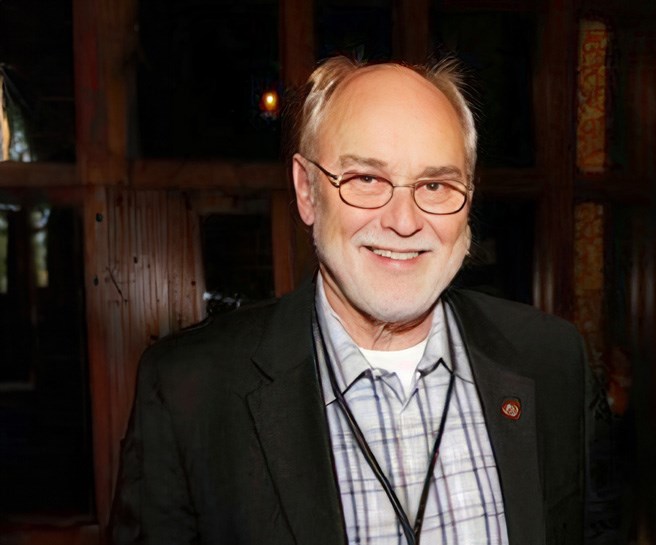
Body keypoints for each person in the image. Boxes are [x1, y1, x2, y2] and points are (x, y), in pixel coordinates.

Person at [111, 56, 597, 545]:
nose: (404, 221)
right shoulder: (189, 394)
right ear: (307, 191)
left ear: (468, 199)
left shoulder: (553, 361)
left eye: (435, 185)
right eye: (366, 179)